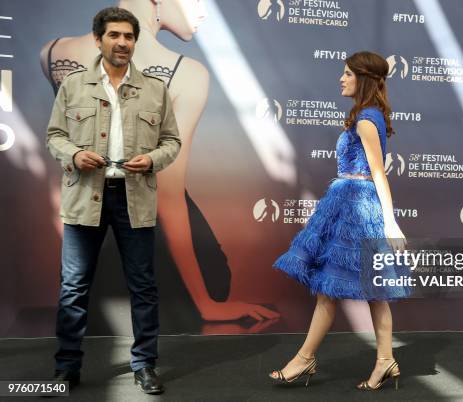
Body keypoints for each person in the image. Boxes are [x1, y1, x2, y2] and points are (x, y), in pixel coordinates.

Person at [40, 0, 279, 324]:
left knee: (83, 291)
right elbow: (167, 193)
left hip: (89, 229)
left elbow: (62, 142)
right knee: (202, 277)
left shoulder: (53, 53)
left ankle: (77, 364)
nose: (203, 11)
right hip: (144, 233)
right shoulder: (187, 73)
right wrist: (205, 302)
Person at [46, 7, 181, 394]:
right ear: (98, 40)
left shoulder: (155, 90)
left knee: (143, 286)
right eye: (115, 35)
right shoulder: (73, 86)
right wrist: (73, 154)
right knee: (73, 286)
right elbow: (55, 134)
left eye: (129, 36)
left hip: (134, 197)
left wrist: (152, 159)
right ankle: (67, 367)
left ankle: (144, 365)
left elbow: (172, 142)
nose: (123, 43)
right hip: (83, 197)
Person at [270, 51, 409, 391]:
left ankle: (304, 359)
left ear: (362, 78)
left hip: (356, 211)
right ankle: (385, 360)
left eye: (347, 73)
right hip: (352, 205)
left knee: (328, 290)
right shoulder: (369, 115)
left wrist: (390, 223)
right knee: (371, 292)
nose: (341, 78)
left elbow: (378, 173)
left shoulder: (365, 119)